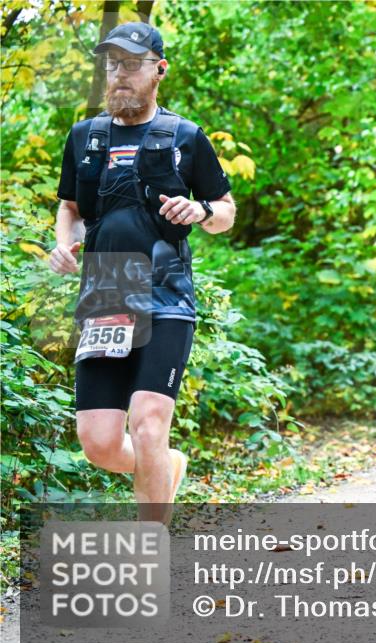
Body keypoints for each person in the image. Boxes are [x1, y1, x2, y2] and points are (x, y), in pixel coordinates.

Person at [48, 22, 236, 524]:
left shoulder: (185, 137)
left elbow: (224, 210)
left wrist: (200, 212)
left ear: (159, 70)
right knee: (100, 445)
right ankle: (166, 467)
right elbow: (70, 207)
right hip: (106, 291)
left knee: (149, 423)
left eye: (131, 64)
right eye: (113, 65)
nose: (120, 75)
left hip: (165, 291)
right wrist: (63, 242)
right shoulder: (84, 137)